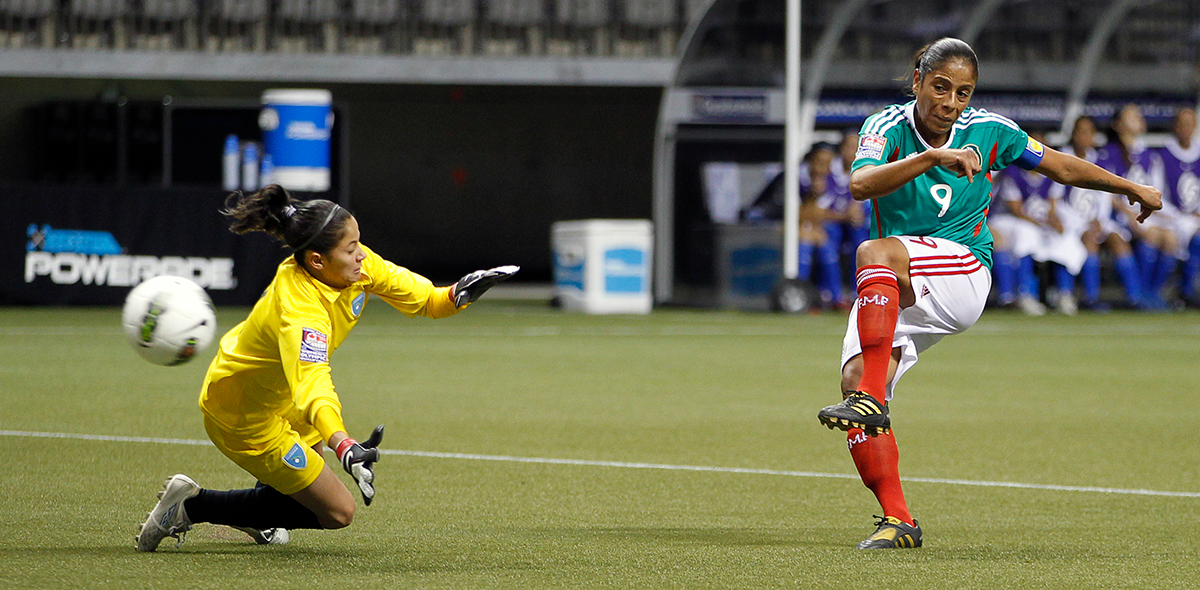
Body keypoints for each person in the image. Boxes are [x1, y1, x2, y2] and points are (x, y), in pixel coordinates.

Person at [814, 38, 1161, 550]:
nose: (950, 102)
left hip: (963, 271)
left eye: (962, 92)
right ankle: (899, 520)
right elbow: (862, 184)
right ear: (917, 80)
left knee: (874, 252)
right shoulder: (884, 127)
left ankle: (868, 396)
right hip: (901, 288)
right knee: (853, 379)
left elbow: (1060, 165)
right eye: (940, 87)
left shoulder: (991, 130)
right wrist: (933, 158)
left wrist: (1128, 186)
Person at [135, 185, 517, 552]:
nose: (362, 256)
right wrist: (342, 442)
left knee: (303, 482)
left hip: (280, 395)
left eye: (359, 243)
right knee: (337, 511)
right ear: (317, 260)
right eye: (351, 249)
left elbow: (424, 300)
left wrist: (458, 294)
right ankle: (189, 506)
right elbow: (313, 384)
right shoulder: (301, 309)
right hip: (243, 414)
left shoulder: (353, 267)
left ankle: (258, 512)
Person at [1056, 115, 1144, 310]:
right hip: (1072, 222)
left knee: (1120, 243)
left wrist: (1099, 220)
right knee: (1090, 242)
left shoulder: (1101, 160)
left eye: (1089, 133)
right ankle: (1091, 298)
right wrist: (1084, 222)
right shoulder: (1062, 158)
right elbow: (1056, 198)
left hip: (1099, 221)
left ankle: (1135, 299)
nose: (1084, 137)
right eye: (1080, 132)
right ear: (1073, 134)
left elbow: (1106, 194)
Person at [1151, 107, 1200, 306]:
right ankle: (1162, 292)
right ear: (1175, 127)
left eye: (1190, 124)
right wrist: (1180, 214)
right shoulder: (1163, 156)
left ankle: (1186, 291)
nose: (1186, 129)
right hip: (1171, 217)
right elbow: (1157, 192)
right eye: (1182, 124)